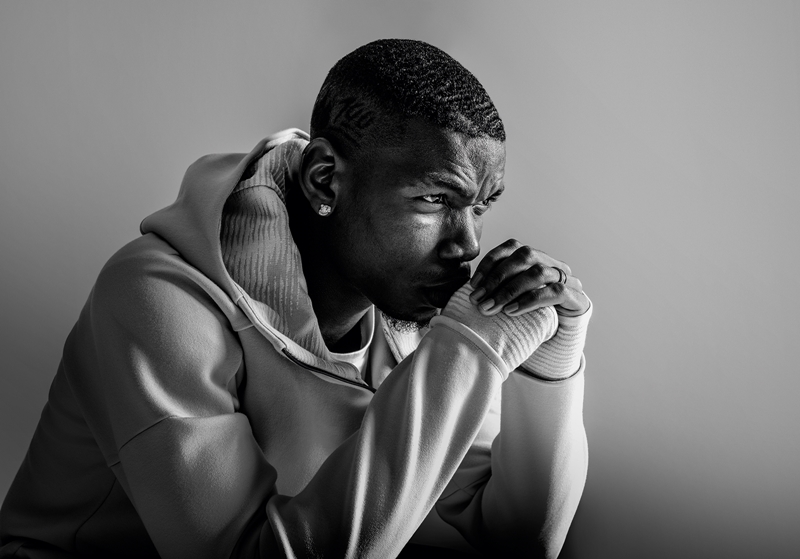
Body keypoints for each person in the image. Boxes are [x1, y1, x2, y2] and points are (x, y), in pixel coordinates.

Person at [0, 39, 592, 558]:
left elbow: (519, 541)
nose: (467, 246)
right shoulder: (155, 297)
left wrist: (551, 363)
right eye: (434, 200)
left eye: (480, 206)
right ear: (324, 179)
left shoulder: (407, 306)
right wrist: (464, 349)